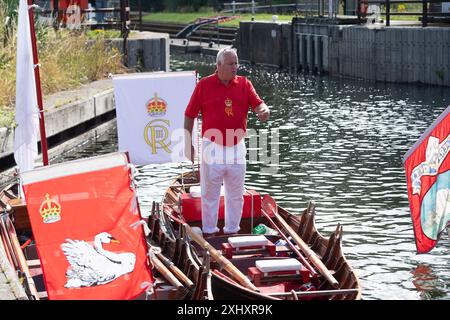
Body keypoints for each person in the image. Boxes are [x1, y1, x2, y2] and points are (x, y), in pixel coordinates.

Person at [184, 47, 270, 235]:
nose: (235, 67)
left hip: (236, 147)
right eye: (231, 64)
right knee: (210, 193)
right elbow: (189, 115)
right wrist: (187, 142)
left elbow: (258, 104)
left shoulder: (244, 84)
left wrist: (264, 110)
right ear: (219, 65)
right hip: (212, 146)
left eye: (236, 63)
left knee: (236, 194)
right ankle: (209, 231)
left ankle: (232, 230)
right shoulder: (204, 86)